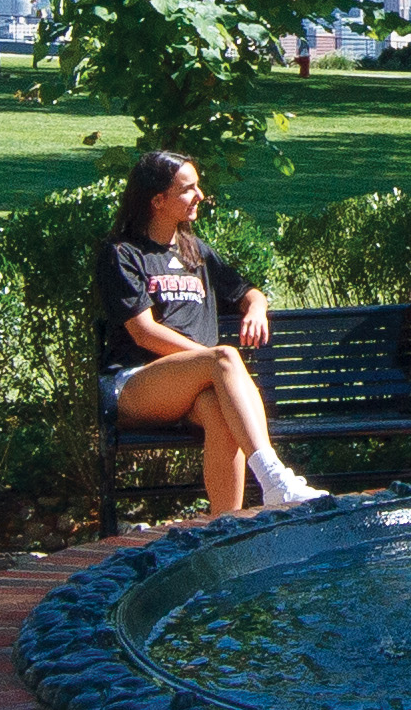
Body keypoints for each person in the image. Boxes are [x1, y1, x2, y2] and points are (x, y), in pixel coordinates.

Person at [96, 150, 323, 516]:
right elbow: (144, 333)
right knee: (225, 356)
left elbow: (245, 290)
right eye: (188, 189)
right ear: (158, 201)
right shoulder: (122, 254)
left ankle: (224, 526)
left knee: (219, 410)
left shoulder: (195, 251)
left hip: (195, 385)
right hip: (136, 383)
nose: (200, 195)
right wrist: (208, 360)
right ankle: (275, 481)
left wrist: (257, 307)